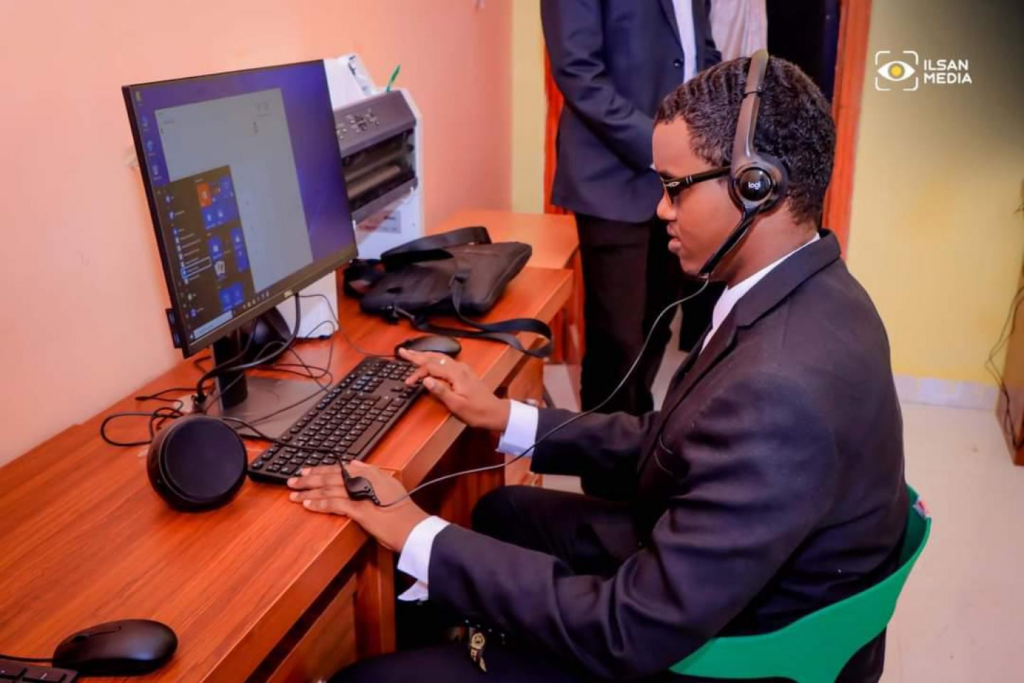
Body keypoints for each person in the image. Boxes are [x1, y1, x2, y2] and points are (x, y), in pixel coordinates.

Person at [290, 56, 907, 682]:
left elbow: (626, 629)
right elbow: (674, 437)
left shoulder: (778, 389)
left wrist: (415, 531)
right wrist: (503, 416)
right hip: (723, 575)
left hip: (723, 650)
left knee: (363, 679)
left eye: (676, 187)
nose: (661, 210)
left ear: (755, 187)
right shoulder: (816, 288)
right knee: (501, 513)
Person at [542, 0, 722, 415]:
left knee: (658, 324)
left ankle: (635, 431)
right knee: (616, 340)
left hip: (681, 180)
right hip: (610, 175)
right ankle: (602, 451)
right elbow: (578, 71)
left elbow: (699, 53)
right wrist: (660, 145)